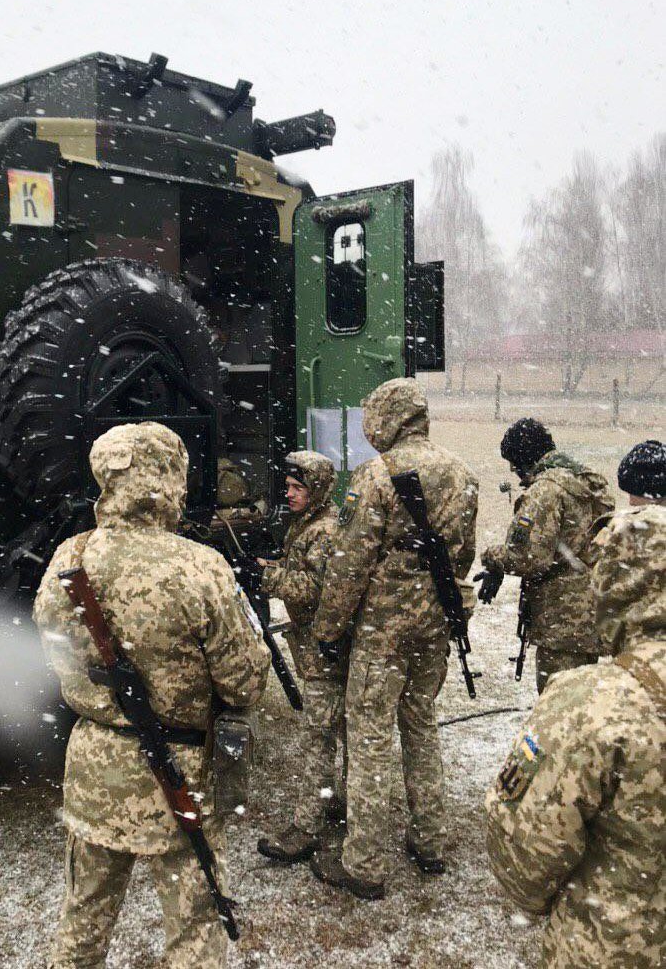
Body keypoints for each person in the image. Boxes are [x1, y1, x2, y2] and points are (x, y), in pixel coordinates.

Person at [34, 421, 270, 969]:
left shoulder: (69, 559)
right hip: (178, 775)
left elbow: (57, 652)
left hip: (93, 765)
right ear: (170, 480)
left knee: (83, 920)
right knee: (193, 931)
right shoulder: (200, 567)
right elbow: (245, 682)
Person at [484, 439, 664, 969]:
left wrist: (496, 556)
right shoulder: (586, 481)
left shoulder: (588, 704)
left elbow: (526, 859)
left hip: (610, 947)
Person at [309, 378, 478, 899]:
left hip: (384, 631)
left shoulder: (377, 476)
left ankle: (365, 863)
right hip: (434, 627)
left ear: (387, 418)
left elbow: (348, 566)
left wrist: (327, 630)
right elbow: (463, 557)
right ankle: (430, 841)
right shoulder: (463, 475)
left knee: (370, 737)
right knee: (421, 725)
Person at [477, 418, 615, 693]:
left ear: (523, 459)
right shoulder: (586, 481)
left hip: (560, 619)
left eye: (514, 465)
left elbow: (528, 557)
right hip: (592, 612)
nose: (515, 473)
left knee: (559, 707)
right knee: (582, 705)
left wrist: (492, 557)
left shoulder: (545, 491)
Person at [255, 451, 344, 863]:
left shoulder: (324, 532)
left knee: (317, 736)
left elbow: (315, 588)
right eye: (288, 487)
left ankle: (306, 828)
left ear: (318, 491)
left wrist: (268, 576)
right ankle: (338, 801)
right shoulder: (308, 525)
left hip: (325, 649)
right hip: (319, 645)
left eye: (298, 489)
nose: (288, 495)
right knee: (333, 730)